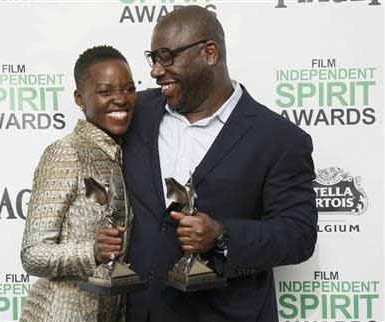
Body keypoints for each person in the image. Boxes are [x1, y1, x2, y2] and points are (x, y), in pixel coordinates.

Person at [123, 6, 317, 322]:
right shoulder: (136, 112)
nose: (156, 71)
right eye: (153, 58)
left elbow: (299, 233)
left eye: (166, 57)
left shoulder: (279, 138)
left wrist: (221, 235)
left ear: (209, 53)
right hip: (140, 312)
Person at [19, 45, 137, 322]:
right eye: (105, 91)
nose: (120, 99)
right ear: (80, 98)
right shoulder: (66, 152)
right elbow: (32, 254)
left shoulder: (121, 154)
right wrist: (91, 251)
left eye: (129, 89)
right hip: (59, 313)